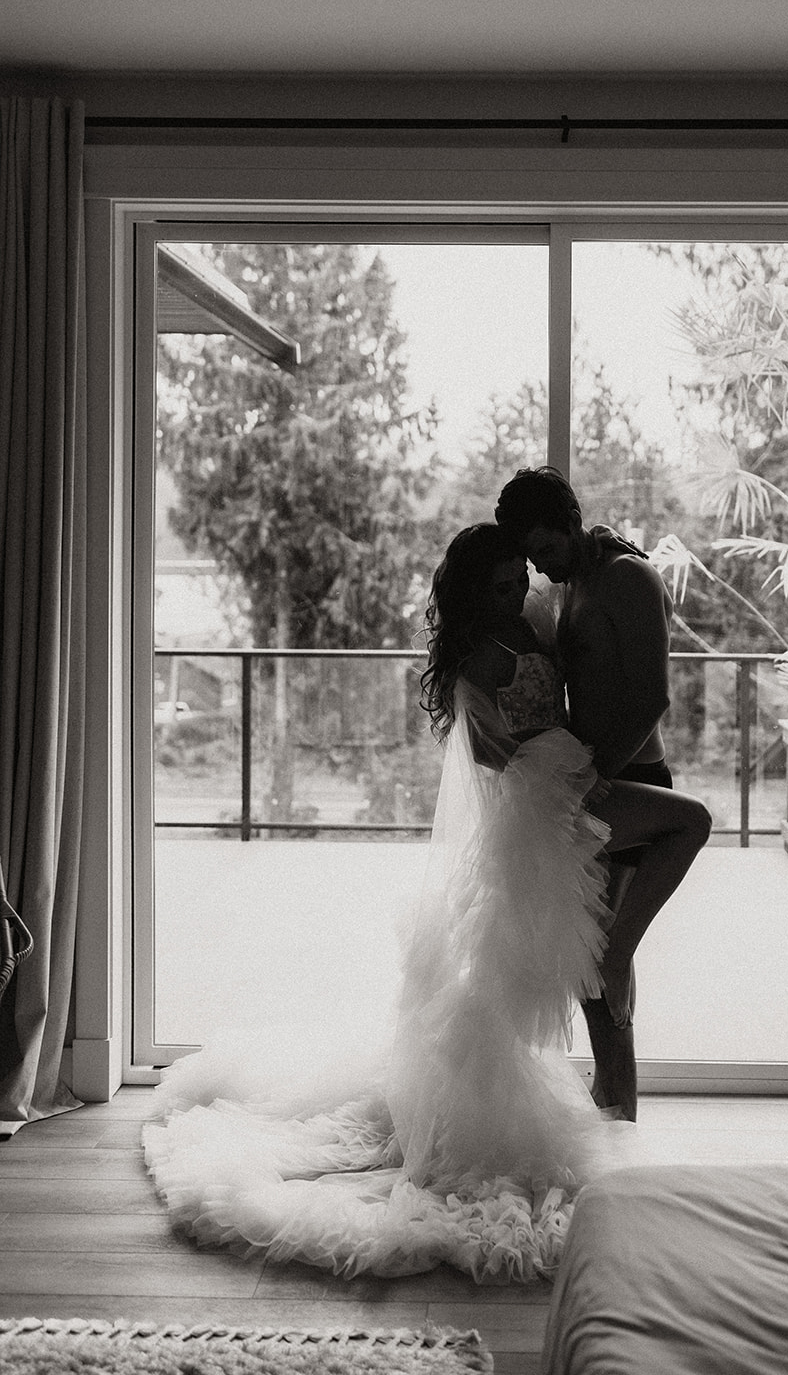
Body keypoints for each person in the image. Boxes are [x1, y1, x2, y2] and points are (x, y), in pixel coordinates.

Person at [141, 523, 668, 1282]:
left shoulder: (527, 622)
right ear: (471, 593)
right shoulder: (485, 653)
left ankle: (612, 1088)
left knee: (573, 949)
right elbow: (491, 748)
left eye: (520, 579)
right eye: (501, 585)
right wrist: (549, 762)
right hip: (545, 803)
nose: (518, 592)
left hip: (558, 793)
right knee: (586, 938)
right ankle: (589, 1099)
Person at [496, 467, 711, 1122]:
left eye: (548, 551)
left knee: (605, 953)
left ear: (571, 520)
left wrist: (594, 779)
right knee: (591, 957)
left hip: (629, 780)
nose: (543, 567)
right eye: (533, 558)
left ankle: (617, 1095)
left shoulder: (628, 578)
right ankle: (616, 1102)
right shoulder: (580, 578)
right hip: (589, 780)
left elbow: (652, 695)